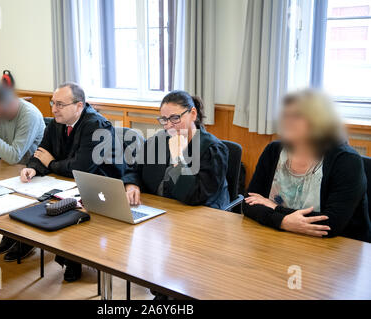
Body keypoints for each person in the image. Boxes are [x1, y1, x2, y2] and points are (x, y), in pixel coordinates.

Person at [122, 90, 230, 299]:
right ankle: (162, 286)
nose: (169, 126)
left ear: (192, 114)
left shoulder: (213, 149)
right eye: (164, 119)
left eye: (175, 118)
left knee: (178, 273)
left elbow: (196, 196)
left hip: (199, 222)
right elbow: (133, 169)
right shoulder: (156, 141)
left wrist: (179, 159)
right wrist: (131, 185)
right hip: (161, 217)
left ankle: (171, 290)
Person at [21, 82, 124, 282]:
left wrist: (51, 163)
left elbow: (82, 167)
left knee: (66, 206)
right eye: (53, 103)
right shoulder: (57, 122)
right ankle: (26, 242)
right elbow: (42, 150)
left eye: (60, 104)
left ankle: (73, 258)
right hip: (67, 182)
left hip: (101, 187)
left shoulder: (96, 125)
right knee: (34, 198)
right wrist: (33, 167)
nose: (53, 109)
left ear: (79, 106)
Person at [244, 89, 371, 243]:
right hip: (279, 239)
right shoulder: (273, 151)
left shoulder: (346, 161)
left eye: (297, 116)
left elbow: (329, 224)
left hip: (337, 248)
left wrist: (274, 208)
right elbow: (249, 203)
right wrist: (283, 222)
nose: (287, 121)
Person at [0, 84, 45, 261]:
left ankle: (26, 239)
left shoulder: (29, 115)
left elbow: (14, 156)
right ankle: (9, 234)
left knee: (11, 189)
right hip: (9, 170)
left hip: (35, 170)